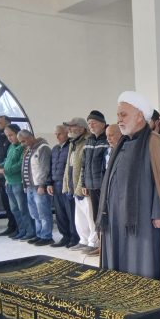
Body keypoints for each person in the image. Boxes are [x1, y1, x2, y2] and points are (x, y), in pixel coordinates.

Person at [97, 91, 160, 285]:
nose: (119, 120)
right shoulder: (122, 143)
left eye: (123, 114)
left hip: (145, 220)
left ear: (139, 116)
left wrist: (159, 211)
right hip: (115, 217)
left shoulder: (155, 143)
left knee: (142, 262)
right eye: (118, 115)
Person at [78, 110, 108, 256]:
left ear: (103, 124)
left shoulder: (107, 139)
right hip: (91, 185)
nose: (91, 126)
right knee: (96, 217)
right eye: (89, 123)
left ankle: (107, 246)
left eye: (94, 123)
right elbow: (83, 165)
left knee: (105, 215)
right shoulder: (89, 141)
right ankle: (101, 245)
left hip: (103, 186)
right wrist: (84, 184)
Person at [17, 130, 54, 246]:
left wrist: (42, 185)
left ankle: (47, 236)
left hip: (39, 186)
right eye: (21, 142)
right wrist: (25, 185)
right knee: (35, 213)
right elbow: (25, 168)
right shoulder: (29, 149)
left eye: (23, 141)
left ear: (31, 137)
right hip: (30, 187)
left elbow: (45, 168)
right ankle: (39, 235)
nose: (22, 144)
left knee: (43, 213)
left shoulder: (43, 148)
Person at [62, 117, 93, 252]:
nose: (69, 129)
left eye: (72, 126)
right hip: (74, 186)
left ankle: (93, 243)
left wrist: (81, 187)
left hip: (84, 188)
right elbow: (68, 166)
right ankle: (83, 240)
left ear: (81, 128)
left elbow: (84, 168)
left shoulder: (87, 141)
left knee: (90, 217)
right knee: (79, 218)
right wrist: (66, 185)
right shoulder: (73, 143)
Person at [48, 125, 78, 248]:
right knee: (60, 213)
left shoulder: (72, 146)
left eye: (59, 133)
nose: (57, 136)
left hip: (67, 184)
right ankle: (65, 236)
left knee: (71, 212)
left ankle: (74, 237)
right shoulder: (55, 149)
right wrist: (49, 183)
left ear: (66, 133)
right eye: (55, 134)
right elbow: (50, 167)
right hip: (56, 184)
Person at [2, 124, 35, 240]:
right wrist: (0, 166)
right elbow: (7, 161)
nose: (9, 138)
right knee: (15, 209)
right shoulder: (11, 147)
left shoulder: (23, 147)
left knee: (23, 209)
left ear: (17, 133)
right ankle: (22, 230)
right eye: (7, 136)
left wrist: (6, 170)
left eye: (11, 135)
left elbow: (21, 164)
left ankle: (30, 232)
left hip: (18, 182)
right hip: (9, 182)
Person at [0, 115, 17, 236]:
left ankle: (17, 227)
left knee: (14, 205)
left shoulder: (12, 140)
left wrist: (4, 172)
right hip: (0, 175)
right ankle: (11, 226)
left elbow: (10, 159)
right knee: (7, 205)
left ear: (7, 123)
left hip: (10, 176)